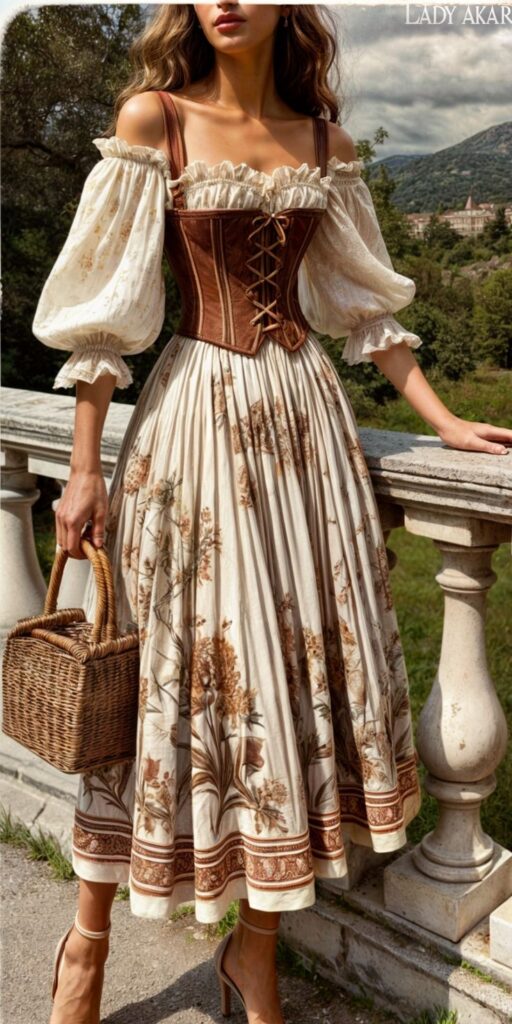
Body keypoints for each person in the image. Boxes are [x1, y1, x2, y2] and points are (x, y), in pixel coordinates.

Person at [31, 4, 512, 1023]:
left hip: (303, 437)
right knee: (160, 682)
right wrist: (81, 469)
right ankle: (90, 937)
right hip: (193, 424)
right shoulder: (150, 120)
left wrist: (442, 417)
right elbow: (108, 314)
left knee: (288, 686)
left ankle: (253, 956)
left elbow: (361, 304)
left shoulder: (323, 142)